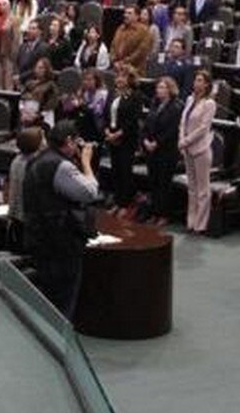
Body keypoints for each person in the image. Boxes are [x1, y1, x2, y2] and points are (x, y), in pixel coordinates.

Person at [23, 121, 102, 316]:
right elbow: (90, 192)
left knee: (48, 298)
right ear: (68, 141)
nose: (78, 147)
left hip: (39, 237)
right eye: (76, 143)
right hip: (60, 243)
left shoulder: (36, 160)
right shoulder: (61, 166)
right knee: (63, 302)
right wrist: (85, 162)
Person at [141, 77, 183, 227]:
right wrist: (145, 139)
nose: (159, 90)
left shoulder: (176, 107)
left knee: (164, 183)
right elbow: (146, 124)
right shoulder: (154, 103)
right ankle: (154, 212)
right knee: (154, 182)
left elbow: (172, 130)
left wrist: (156, 142)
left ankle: (164, 214)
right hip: (151, 150)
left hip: (166, 150)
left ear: (170, 89)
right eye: (158, 87)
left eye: (163, 88)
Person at [179, 70, 217, 235]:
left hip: (201, 149)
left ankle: (200, 225)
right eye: (195, 80)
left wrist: (186, 141)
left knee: (203, 189)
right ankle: (191, 222)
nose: (196, 83)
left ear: (207, 84)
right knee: (192, 188)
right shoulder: (189, 99)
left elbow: (203, 128)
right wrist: (181, 139)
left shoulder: (209, 104)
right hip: (186, 148)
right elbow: (183, 122)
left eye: (200, 80)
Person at [103, 68, 144, 217]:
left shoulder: (136, 96)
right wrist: (107, 131)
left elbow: (133, 120)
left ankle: (125, 204)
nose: (119, 79)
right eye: (118, 76)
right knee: (116, 170)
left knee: (125, 170)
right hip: (112, 135)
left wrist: (119, 134)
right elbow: (106, 114)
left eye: (123, 77)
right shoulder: (112, 93)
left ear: (130, 79)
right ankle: (118, 201)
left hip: (127, 138)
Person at [7, 127, 45, 249]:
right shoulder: (37, 164)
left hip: (16, 218)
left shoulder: (16, 160)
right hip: (31, 223)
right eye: (43, 138)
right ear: (37, 143)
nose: (46, 141)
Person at [111, 6, 153, 72]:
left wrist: (124, 62)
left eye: (129, 13)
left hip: (134, 70)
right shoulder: (120, 28)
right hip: (117, 68)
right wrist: (114, 61)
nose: (125, 15)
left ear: (137, 16)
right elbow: (113, 46)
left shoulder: (144, 31)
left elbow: (141, 52)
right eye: (125, 13)